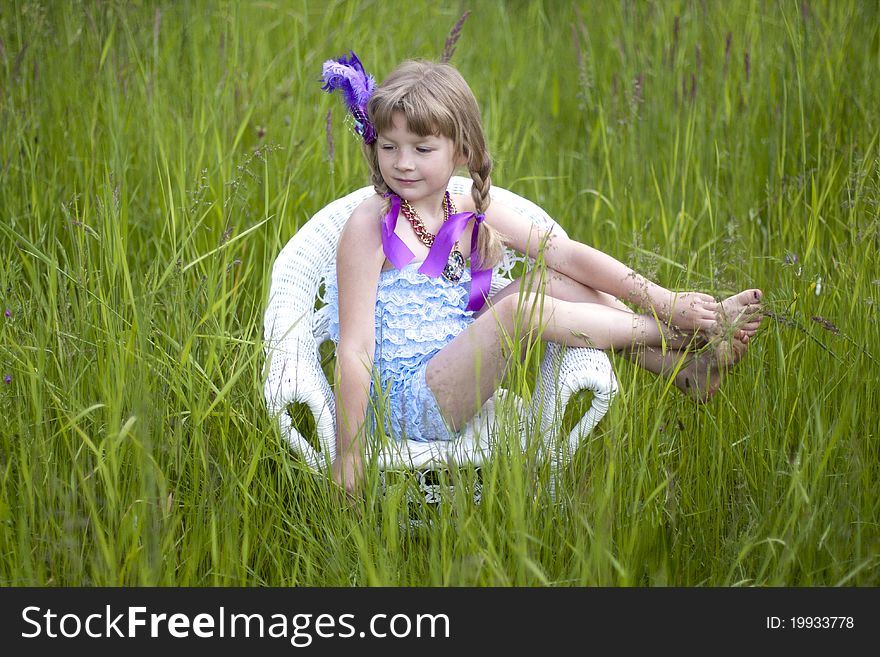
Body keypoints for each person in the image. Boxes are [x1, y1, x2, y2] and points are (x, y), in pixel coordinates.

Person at [320, 53, 763, 495]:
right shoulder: (371, 225)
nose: (403, 163)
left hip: (450, 366)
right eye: (389, 146)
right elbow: (355, 348)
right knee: (518, 311)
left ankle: (682, 368)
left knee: (549, 280)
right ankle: (679, 337)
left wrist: (666, 299)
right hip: (405, 402)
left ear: (462, 150)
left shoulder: (467, 207)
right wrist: (349, 453)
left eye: (422, 148)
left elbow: (566, 255)